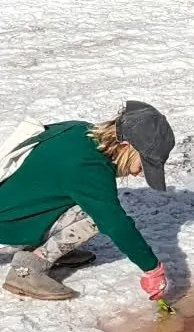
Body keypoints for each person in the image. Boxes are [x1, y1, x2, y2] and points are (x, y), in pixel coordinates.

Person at [0, 102, 175, 303]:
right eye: (143, 164)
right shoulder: (89, 167)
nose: (139, 173)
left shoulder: (80, 131)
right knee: (98, 215)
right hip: (7, 224)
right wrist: (152, 269)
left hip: (12, 206)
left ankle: (46, 245)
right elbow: (116, 224)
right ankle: (28, 268)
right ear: (127, 147)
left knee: (94, 203)